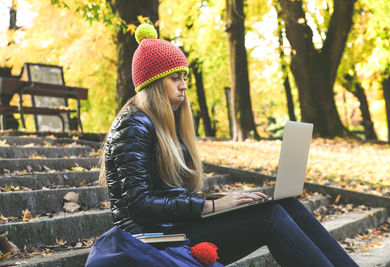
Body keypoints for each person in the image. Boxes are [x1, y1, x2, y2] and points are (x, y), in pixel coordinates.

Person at [99, 23, 358, 266]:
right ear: (153, 84)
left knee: (287, 206)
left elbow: (168, 196)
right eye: (175, 78)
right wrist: (210, 206)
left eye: (184, 77)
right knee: (269, 218)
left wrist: (227, 200)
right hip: (152, 241)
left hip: (173, 229)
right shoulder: (133, 125)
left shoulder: (164, 125)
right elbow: (140, 205)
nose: (184, 86)